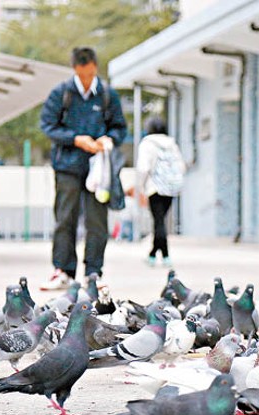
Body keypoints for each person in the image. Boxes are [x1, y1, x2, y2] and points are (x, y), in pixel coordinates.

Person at [40, 47, 127, 290]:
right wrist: (76, 139)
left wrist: (108, 140)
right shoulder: (62, 93)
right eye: (82, 75)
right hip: (67, 165)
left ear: (95, 68)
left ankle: (93, 273)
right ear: (75, 70)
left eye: (90, 74)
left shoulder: (108, 94)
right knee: (64, 218)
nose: (87, 80)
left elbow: (119, 128)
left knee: (97, 221)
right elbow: (48, 126)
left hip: (98, 168)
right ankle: (63, 270)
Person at [136, 117, 186, 267]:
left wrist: (141, 187)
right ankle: (153, 253)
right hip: (171, 187)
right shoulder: (172, 143)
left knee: (158, 221)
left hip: (155, 187)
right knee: (160, 221)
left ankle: (164, 256)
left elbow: (143, 167)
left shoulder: (147, 143)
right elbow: (181, 166)